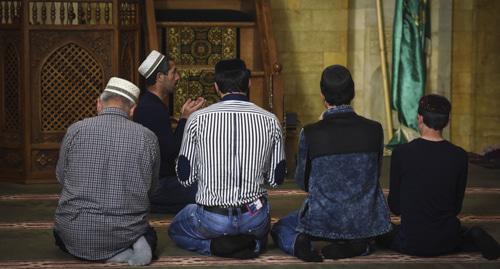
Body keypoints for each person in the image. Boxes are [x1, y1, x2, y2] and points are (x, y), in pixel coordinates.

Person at [271, 65, 391, 262]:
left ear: (322, 95)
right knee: (378, 227)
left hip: (322, 221)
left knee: (281, 227)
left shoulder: (311, 133)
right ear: (352, 93)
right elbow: (374, 174)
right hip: (363, 220)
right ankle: (360, 244)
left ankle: (298, 244)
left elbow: (303, 182)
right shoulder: (375, 129)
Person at [168, 58, 286, 259]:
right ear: (248, 83)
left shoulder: (197, 119)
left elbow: (185, 178)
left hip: (212, 219)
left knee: (175, 229)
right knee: (262, 224)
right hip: (254, 217)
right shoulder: (270, 120)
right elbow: (277, 179)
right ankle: (253, 244)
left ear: (216, 87)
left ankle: (215, 247)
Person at [54, 77, 160, 266]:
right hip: (127, 231)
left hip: (75, 232)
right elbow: (152, 189)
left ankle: (112, 253)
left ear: (99, 104)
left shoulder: (76, 130)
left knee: (59, 236)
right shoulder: (148, 137)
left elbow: (62, 177)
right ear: (132, 110)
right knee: (148, 231)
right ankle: (134, 244)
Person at [382, 94, 500, 259]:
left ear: (420, 119)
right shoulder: (459, 156)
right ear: (447, 122)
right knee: (454, 232)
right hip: (448, 241)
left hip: (411, 241)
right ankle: (471, 235)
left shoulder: (401, 153)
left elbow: (395, 207)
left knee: (380, 231)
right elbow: (455, 207)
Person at [134, 50, 205, 213]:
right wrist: (185, 118)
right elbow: (172, 152)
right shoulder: (152, 109)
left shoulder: (151, 104)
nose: (178, 77)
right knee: (212, 188)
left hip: (157, 183)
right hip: (158, 186)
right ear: (160, 77)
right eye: (174, 73)